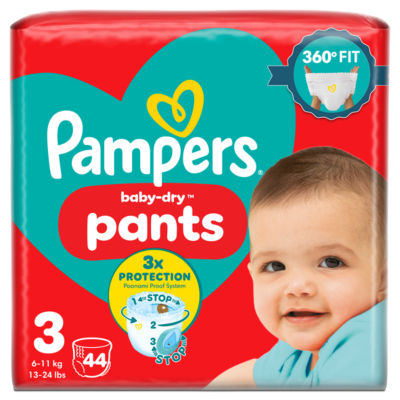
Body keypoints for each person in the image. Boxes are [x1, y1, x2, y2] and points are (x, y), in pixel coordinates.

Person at [208, 147, 386, 389]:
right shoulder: (299, 350)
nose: (297, 287)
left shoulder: (368, 343)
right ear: (252, 275)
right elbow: (250, 374)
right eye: (275, 266)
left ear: (384, 278)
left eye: (330, 262)